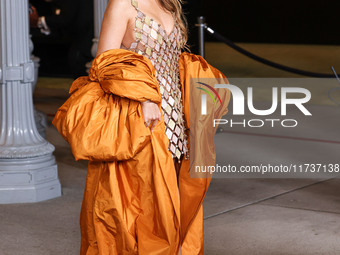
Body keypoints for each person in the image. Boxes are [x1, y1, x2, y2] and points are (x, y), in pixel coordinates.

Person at [52, 0, 230, 254]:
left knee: (174, 198)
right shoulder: (121, 5)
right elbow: (104, 62)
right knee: (140, 201)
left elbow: (171, 60)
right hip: (141, 116)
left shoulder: (168, 4)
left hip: (176, 117)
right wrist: (144, 98)